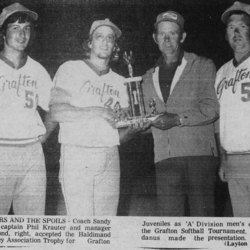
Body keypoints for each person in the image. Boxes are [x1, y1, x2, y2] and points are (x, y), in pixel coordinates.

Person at [50, 18, 148, 216]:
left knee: (107, 226)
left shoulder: (122, 82)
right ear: (89, 42)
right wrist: (99, 110)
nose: (105, 42)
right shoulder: (70, 68)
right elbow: (56, 112)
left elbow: (118, 136)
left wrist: (133, 129)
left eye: (110, 38)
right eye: (99, 37)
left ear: (115, 46)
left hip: (110, 155)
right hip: (77, 154)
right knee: (82, 225)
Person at [141, 11, 219, 216]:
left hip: (199, 157)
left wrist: (177, 119)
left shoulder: (202, 65)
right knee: (169, 225)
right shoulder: (147, 77)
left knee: (203, 224)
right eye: (162, 34)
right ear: (154, 38)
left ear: (182, 37)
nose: (167, 39)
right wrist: (138, 125)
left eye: (173, 34)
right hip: (165, 159)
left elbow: (211, 108)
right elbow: (147, 118)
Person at [0, 3, 53, 215]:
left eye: (27, 28)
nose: (22, 34)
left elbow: (54, 108)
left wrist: (45, 134)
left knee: (32, 224)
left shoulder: (37, 69)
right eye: (15, 28)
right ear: (3, 32)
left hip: (32, 154)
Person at [215, 1, 250, 217]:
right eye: (230, 28)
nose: (236, 32)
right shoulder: (222, 73)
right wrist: (223, 159)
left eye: (242, 26)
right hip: (233, 160)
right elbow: (220, 121)